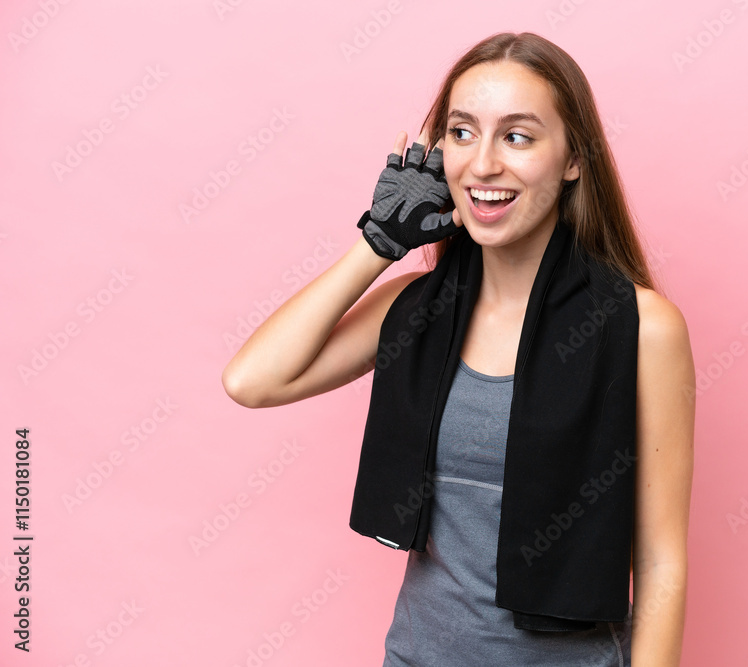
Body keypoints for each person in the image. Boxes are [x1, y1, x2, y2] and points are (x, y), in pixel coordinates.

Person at [222, 31, 694, 667]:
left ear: (574, 159)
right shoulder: (415, 307)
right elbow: (253, 381)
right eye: (463, 133)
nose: (482, 165)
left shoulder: (642, 327)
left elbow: (661, 561)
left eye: (518, 137)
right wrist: (378, 242)